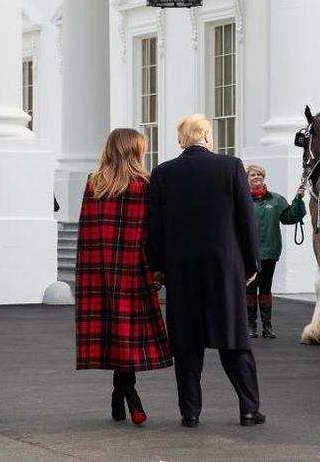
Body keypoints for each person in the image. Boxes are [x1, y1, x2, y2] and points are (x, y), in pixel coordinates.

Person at [147, 114, 265, 428]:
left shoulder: (162, 174)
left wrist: (157, 267)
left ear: (181, 140)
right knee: (234, 339)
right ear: (207, 136)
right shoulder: (231, 167)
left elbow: (154, 228)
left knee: (186, 344)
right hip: (225, 268)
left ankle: (190, 412)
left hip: (181, 269)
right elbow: (246, 220)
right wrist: (252, 263)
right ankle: (249, 408)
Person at [75, 128, 172, 426]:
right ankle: (130, 396)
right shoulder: (145, 185)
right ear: (134, 151)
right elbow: (154, 233)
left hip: (99, 272)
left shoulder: (94, 183)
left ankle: (119, 395)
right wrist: (160, 269)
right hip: (133, 271)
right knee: (127, 335)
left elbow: (85, 231)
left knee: (116, 335)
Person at [246, 165, 306, 338]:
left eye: (259, 174)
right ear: (247, 179)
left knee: (265, 288)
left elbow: (289, 217)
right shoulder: (241, 200)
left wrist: (298, 199)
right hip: (248, 253)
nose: (256, 177)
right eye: (252, 174)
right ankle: (251, 326)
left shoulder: (276, 200)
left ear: (264, 178)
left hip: (269, 252)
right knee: (250, 289)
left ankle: (267, 327)